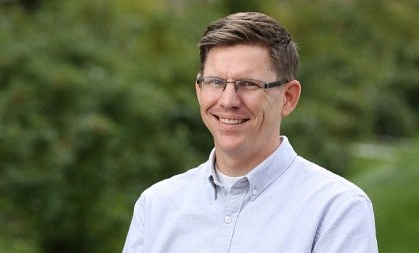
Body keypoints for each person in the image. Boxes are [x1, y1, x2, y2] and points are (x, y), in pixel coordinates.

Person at [123, 12, 378, 253]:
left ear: (288, 98)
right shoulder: (156, 205)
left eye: (249, 84)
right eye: (215, 82)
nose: (228, 100)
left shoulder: (337, 209)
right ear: (199, 89)